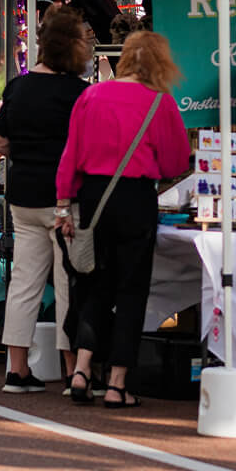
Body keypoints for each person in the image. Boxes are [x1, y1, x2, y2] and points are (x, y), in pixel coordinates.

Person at [55, 31, 189, 409]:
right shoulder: (159, 102)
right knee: (132, 292)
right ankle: (117, 383)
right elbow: (177, 161)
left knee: (93, 284)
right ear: (162, 63)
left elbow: (70, 157)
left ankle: (81, 369)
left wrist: (64, 206)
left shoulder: (91, 95)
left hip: (94, 196)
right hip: (136, 199)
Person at [0, 7, 90, 393]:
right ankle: (72, 370)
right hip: (66, 201)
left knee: (24, 282)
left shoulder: (18, 87)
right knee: (68, 286)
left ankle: (17, 369)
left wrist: (28, 151)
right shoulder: (81, 94)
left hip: (23, 197)